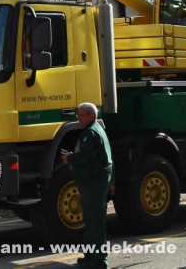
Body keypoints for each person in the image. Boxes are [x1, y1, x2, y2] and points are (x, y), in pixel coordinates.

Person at [61, 102, 113, 268]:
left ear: (92, 116)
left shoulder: (91, 133)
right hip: (92, 181)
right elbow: (89, 155)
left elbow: (84, 157)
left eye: (82, 115)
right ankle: (90, 255)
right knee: (90, 220)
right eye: (79, 115)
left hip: (94, 181)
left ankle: (99, 260)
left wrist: (69, 158)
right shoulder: (94, 130)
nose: (79, 118)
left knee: (95, 221)